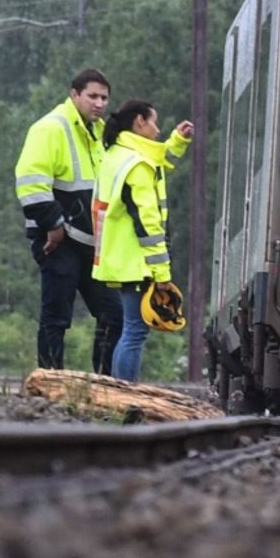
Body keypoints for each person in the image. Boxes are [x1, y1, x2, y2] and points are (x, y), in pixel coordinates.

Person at [14, 68, 120, 373]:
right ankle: (49, 383)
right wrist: (53, 224)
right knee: (57, 316)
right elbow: (30, 181)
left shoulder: (98, 133)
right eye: (93, 96)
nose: (99, 103)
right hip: (56, 240)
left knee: (113, 315)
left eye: (104, 97)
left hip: (90, 244)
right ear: (74, 95)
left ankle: (104, 385)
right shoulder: (50, 128)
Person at [91, 99, 194, 382]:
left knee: (129, 329)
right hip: (137, 260)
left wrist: (178, 141)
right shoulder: (136, 165)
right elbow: (148, 224)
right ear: (139, 121)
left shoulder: (117, 154)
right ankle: (128, 397)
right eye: (154, 122)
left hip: (120, 257)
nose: (158, 129)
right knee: (135, 331)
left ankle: (118, 393)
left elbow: (159, 160)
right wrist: (162, 274)